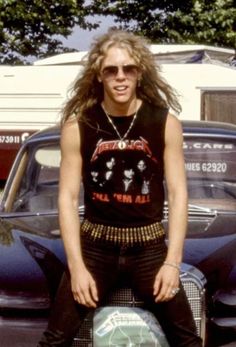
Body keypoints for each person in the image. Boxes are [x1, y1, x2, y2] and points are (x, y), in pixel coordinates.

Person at [38, 30, 203, 347]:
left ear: (140, 72)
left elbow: (180, 194)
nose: (121, 77)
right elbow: (68, 198)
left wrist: (172, 262)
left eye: (129, 68)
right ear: (99, 76)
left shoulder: (165, 123)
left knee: (189, 340)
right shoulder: (78, 125)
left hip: (149, 248)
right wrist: (77, 268)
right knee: (55, 340)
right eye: (111, 70)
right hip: (94, 248)